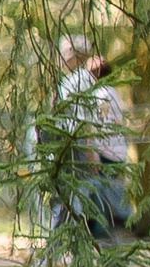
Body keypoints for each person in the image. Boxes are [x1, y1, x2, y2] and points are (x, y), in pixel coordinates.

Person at [48, 34, 133, 242]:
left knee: (95, 192)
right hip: (78, 146)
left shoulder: (90, 86)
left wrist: (91, 150)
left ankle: (102, 233)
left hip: (92, 148)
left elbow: (91, 120)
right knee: (87, 193)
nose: (61, 59)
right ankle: (69, 239)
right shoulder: (71, 82)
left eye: (66, 53)